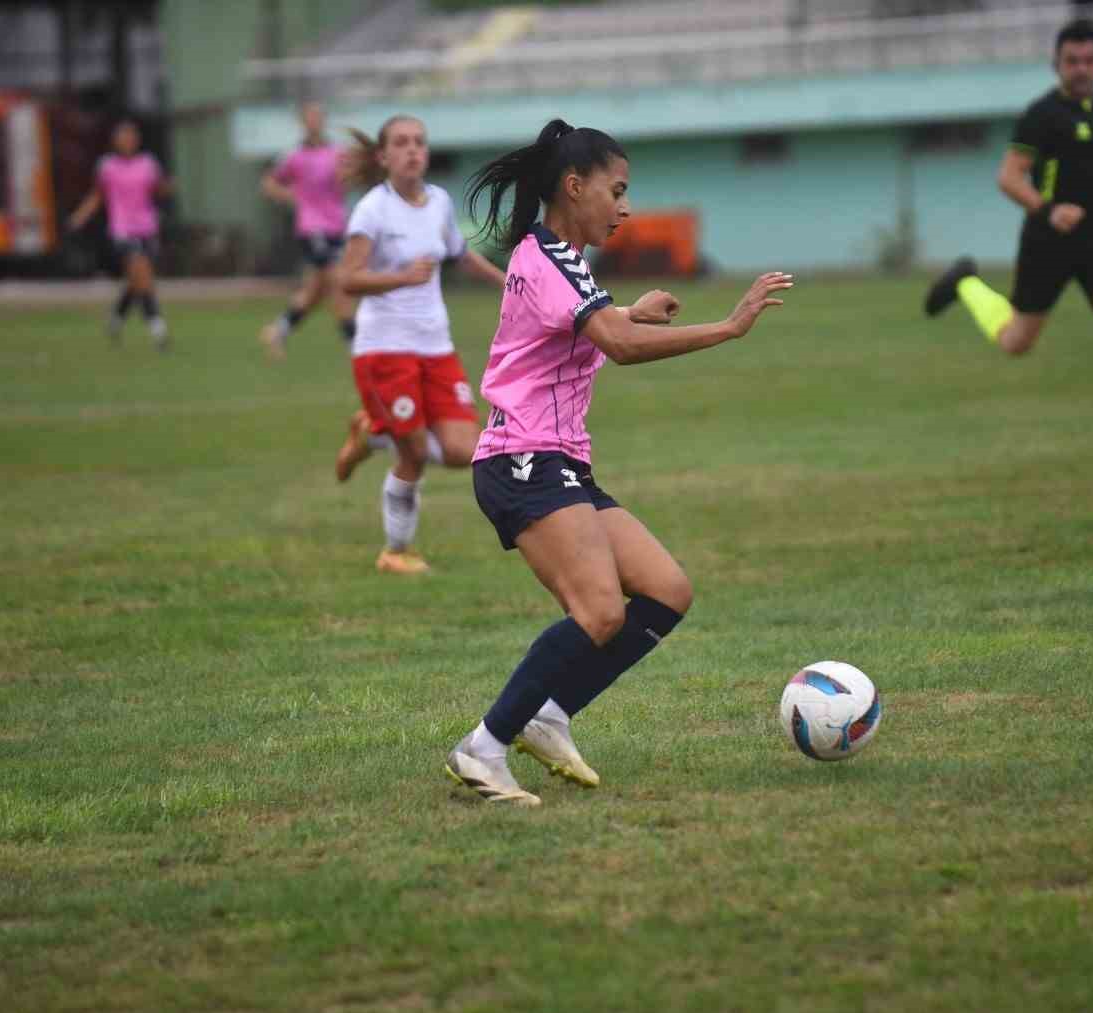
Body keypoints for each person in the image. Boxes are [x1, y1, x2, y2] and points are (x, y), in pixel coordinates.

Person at [444, 118, 792, 806]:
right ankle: (483, 747)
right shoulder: (552, 259)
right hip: (524, 460)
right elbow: (617, 345)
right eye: (618, 190)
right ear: (575, 187)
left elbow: (587, 328)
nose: (626, 207)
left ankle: (549, 716)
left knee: (667, 591)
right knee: (599, 611)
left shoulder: (555, 257)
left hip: (559, 462)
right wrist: (727, 327)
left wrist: (629, 308)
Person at [923, 20, 1093, 462]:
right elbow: (1009, 177)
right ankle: (965, 283)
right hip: (1049, 239)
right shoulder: (1041, 115)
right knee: (1017, 340)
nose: (1081, 69)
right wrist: (1048, 209)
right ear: (1057, 63)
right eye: (1072, 61)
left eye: (1089, 61)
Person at [331, 115, 509, 575]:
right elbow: (347, 279)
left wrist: (511, 282)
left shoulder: (440, 203)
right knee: (411, 451)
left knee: (463, 452)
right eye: (402, 143)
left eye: (419, 143)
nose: (413, 150)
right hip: (384, 349)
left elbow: (461, 254)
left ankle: (373, 433)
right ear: (383, 156)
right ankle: (396, 552)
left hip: (436, 348)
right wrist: (400, 277)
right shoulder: (373, 209)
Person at [258, 102, 356, 360]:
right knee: (339, 282)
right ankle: (355, 344)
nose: (314, 121)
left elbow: (346, 183)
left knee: (314, 291)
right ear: (303, 122)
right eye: (309, 117)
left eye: (318, 116)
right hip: (312, 228)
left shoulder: (338, 152)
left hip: (336, 225)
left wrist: (348, 174)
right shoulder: (293, 156)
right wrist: (291, 196)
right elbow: (268, 182)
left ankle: (278, 330)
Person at [68, 119, 175, 349]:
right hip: (123, 229)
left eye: (131, 137)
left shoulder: (148, 164)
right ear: (115, 141)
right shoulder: (107, 166)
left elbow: (160, 190)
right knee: (143, 275)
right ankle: (159, 330)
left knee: (136, 281)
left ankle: (115, 321)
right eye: (122, 137)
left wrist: (168, 186)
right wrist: (80, 215)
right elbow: (97, 196)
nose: (127, 141)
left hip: (147, 227)